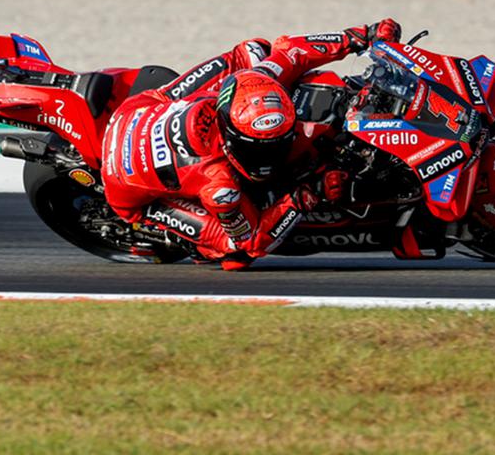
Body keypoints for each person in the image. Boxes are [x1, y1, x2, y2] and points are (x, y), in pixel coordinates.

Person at [99, 19, 402, 270]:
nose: (280, 151)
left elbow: (293, 50)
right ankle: (192, 244)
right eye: (265, 148)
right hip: (124, 182)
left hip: (144, 106)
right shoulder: (219, 186)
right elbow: (253, 239)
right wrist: (306, 195)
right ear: (235, 140)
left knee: (254, 50)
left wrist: (362, 36)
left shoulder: (258, 79)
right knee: (234, 254)